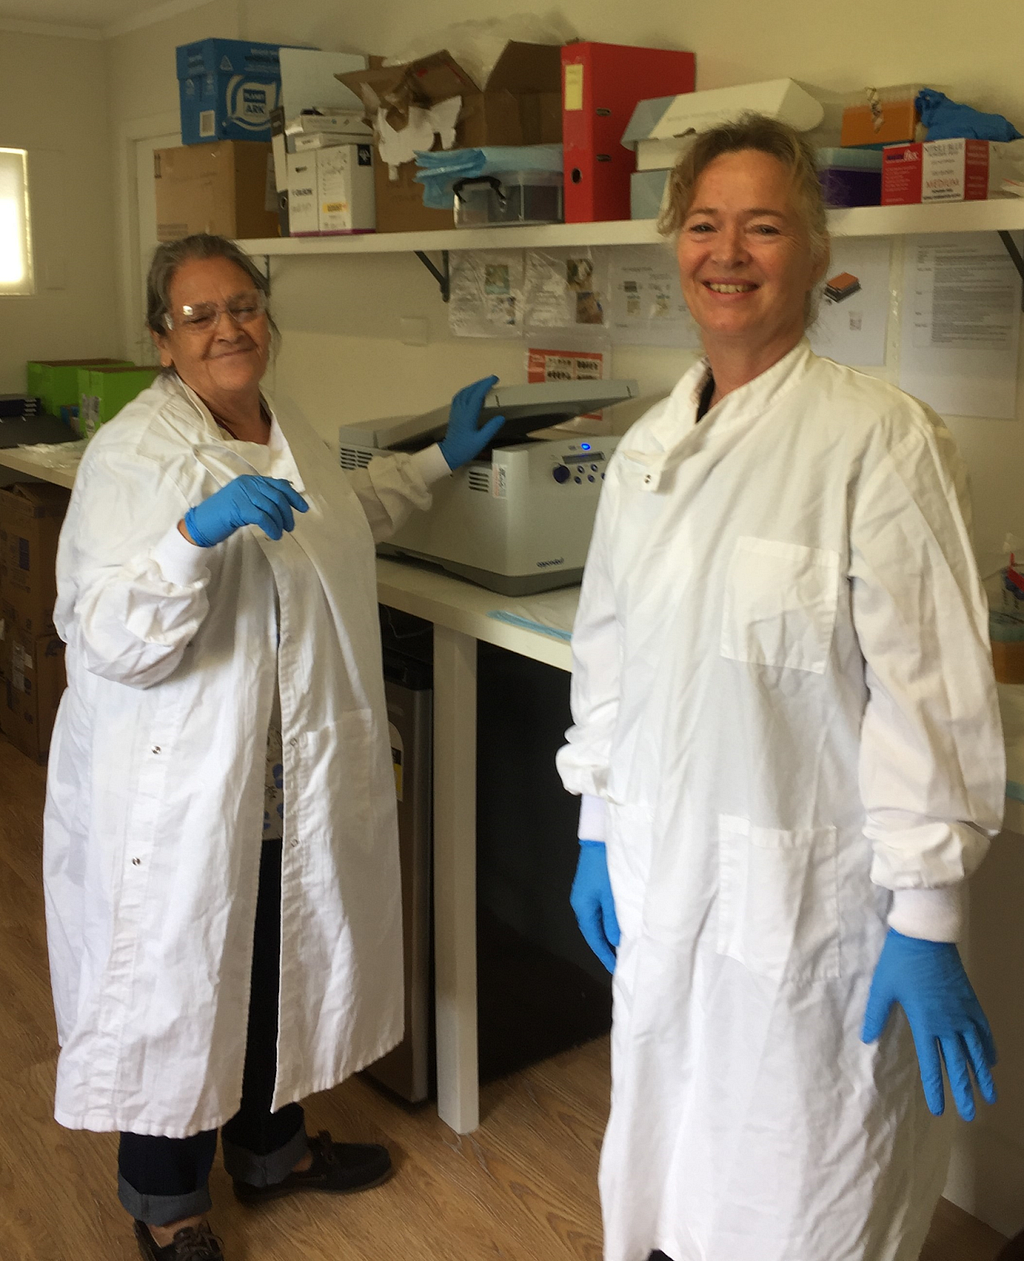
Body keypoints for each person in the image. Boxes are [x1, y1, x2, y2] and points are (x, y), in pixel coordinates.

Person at [557, 115, 1005, 1261]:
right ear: (674, 245)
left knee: (807, 1191)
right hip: (664, 883)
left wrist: (928, 914)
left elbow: (929, 694)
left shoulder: (876, 441)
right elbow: (605, 650)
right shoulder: (650, 448)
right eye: (704, 225)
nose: (728, 253)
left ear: (811, 254)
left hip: (812, 913)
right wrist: (598, 822)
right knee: (671, 1169)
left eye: (763, 227)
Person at [43, 233, 505, 1261]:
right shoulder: (135, 453)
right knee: (181, 976)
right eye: (200, 315)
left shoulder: (275, 420)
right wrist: (189, 536)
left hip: (283, 772)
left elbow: (334, 518)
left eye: (243, 305)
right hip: (183, 783)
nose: (228, 328)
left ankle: (272, 1150)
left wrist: (440, 458)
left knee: (271, 959)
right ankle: (168, 1208)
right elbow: (102, 627)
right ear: (163, 342)